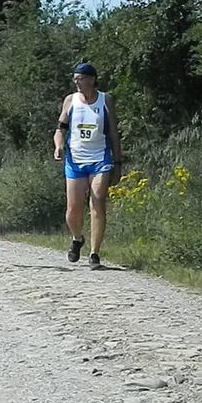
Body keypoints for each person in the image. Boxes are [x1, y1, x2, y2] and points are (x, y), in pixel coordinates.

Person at [53, 63, 122, 270]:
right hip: (75, 160)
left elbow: (113, 134)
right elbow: (59, 130)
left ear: (91, 79)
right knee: (72, 210)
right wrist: (59, 146)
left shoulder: (105, 100)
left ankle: (94, 253)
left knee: (98, 200)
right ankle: (77, 238)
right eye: (74, 79)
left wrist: (118, 164)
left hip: (100, 158)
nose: (77, 82)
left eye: (80, 78)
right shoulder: (70, 100)